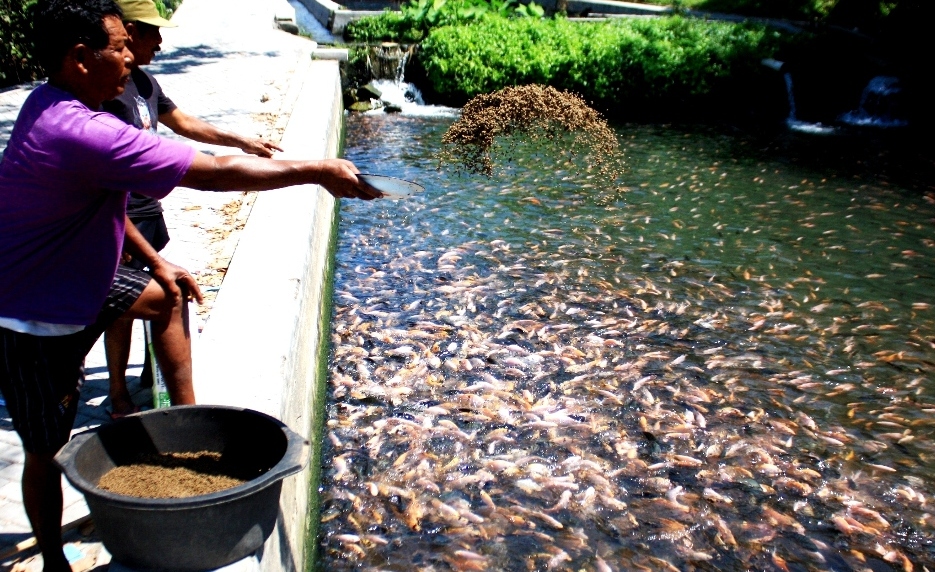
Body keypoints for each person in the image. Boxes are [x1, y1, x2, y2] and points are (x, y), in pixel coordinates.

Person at [0, 0, 378, 568]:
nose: (132, 57)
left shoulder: (56, 102)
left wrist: (155, 261)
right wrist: (319, 170)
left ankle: (185, 421)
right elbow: (213, 172)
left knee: (170, 298)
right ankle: (53, 559)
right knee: (45, 450)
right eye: (120, 46)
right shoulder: (80, 128)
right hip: (35, 313)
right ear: (80, 59)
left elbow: (101, 198)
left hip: (87, 278)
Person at [101, 0, 284, 418]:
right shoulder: (104, 90)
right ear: (129, 31)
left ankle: (155, 381)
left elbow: (185, 124)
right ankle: (117, 394)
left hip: (149, 209)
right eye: (153, 33)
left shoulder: (143, 83)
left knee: (156, 297)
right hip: (119, 213)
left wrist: (241, 140)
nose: (160, 43)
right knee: (121, 309)